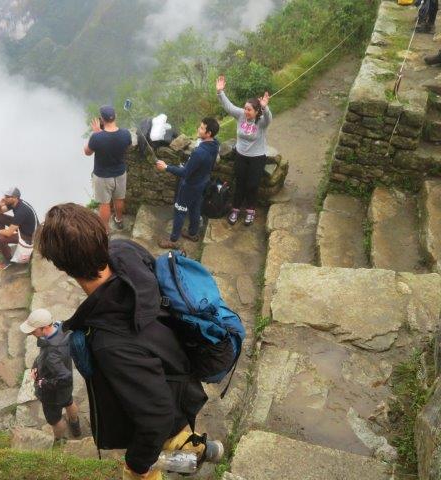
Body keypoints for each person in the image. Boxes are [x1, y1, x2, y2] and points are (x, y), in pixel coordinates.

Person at [37, 203, 222, 480]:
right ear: (101, 236)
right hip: (175, 369)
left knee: (157, 449)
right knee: (178, 434)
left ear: (63, 267)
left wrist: (136, 465)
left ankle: (194, 452)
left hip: (163, 400)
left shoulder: (110, 343)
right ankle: (204, 450)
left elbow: (156, 417)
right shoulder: (126, 251)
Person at [156, 117, 220, 249]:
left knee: (180, 210)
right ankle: (192, 233)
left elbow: (185, 173)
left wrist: (166, 167)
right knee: (195, 207)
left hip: (190, 185)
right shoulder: (215, 144)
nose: (198, 129)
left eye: (201, 128)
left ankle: (173, 240)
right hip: (203, 182)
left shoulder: (199, 153)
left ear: (209, 133)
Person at [20, 308, 82, 445]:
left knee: (55, 420)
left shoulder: (52, 353)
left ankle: (59, 441)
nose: (31, 333)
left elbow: (64, 378)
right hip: (65, 389)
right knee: (69, 402)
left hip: (52, 395)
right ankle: (75, 425)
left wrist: (42, 383)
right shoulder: (60, 328)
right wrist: (37, 365)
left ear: (44, 327)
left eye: (33, 330)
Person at [216, 75, 272, 226]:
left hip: (257, 157)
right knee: (239, 183)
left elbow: (269, 118)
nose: (245, 111)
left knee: (252, 185)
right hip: (241, 155)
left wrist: (265, 107)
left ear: (256, 111)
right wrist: (220, 92)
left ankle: (250, 210)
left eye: (249, 110)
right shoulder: (241, 115)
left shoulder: (261, 122)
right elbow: (228, 106)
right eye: (245, 108)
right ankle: (235, 209)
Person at [84, 105, 132, 232]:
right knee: (119, 199)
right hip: (120, 173)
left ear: (101, 119)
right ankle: (119, 220)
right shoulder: (125, 134)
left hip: (102, 176)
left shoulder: (97, 137)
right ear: (115, 116)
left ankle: (105, 230)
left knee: (104, 203)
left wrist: (96, 133)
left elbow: (87, 152)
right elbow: (127, 146)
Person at [0, 187, 38, 270]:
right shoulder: (15, 203)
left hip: (29, 236)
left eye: (7, 197)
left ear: (15, 198)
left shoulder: (21, 211)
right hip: (23, 226)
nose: (4, 198)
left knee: (1, 239)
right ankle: (2, 246)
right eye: (5, 195)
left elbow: (9, 233)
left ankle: (8, 261)